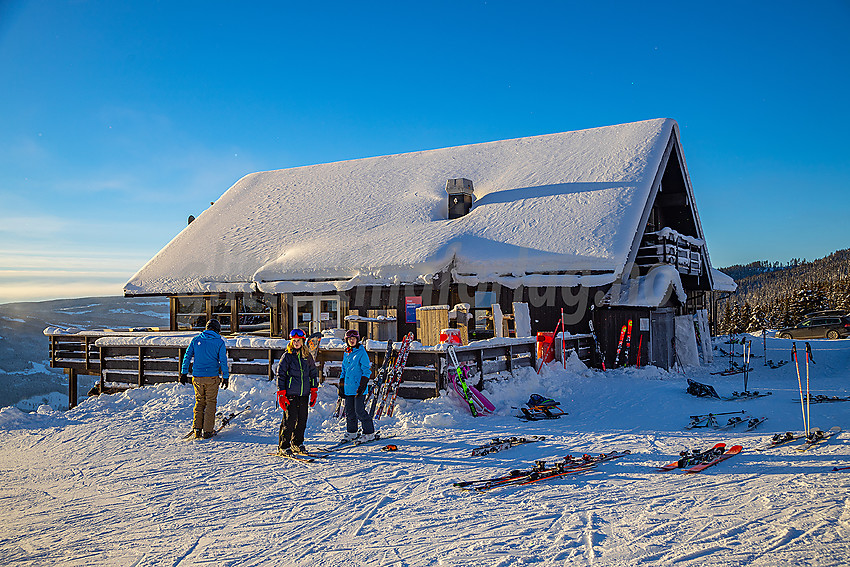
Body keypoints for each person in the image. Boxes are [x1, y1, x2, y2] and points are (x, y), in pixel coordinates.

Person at [180, 318, 229, 439]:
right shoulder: (219, 342)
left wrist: (183, 372)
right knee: (210, 402)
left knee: (199, 402)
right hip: (212, 377)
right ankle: (207, 431)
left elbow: (187, 356)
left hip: (197, 377)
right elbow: (223, 361)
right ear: (218, 330)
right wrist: (225, 377)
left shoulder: (196, 340)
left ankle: (197, 429)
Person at [277, 328, 319, 455]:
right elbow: (281, 374)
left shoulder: (307, 356)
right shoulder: (287, 356)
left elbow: (313, 373)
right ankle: (284, 445)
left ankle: (297, 443)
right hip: (290, 393)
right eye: (294, 341)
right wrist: (281, 393)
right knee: (290, 420)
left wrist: (314, 390)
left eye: (298, 341)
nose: (296, 343)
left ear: (302, 341)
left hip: (304, 393)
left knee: (302, 420)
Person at [338, 329, 376, 443]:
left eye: (354, 339)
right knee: (349, 412)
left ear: (357, 340)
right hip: (348, 388)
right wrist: (341, 385)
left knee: (359, 411)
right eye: (350, 339)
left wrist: (363, 385)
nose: (352, 340)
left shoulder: (361, 352)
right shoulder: (347, 352)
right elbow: (344, 369)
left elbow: (366, 370)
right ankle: (352, 432)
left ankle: (369, 433)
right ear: (347, 340)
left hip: (359, 388)